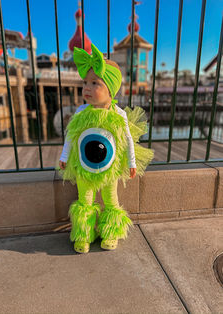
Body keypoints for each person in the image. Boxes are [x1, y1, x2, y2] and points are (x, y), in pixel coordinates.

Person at [57, 43, 153, 254]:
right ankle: (84, 233)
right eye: (85, 83)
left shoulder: (119, 114)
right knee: (85, 199)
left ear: (111, 90)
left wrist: (132, 162)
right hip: (84, 167)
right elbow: (71, 136)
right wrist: (64, 156)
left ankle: (110, 231)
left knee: (111, 199)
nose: (87, 88)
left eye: (95, 83)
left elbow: (128, 139)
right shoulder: (82, 111)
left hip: (110, 168)